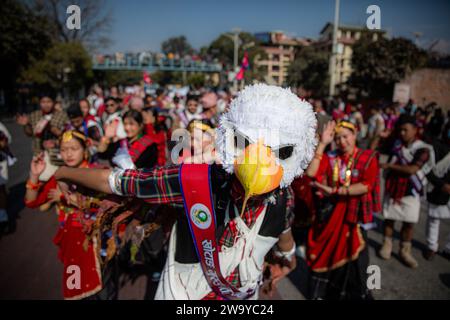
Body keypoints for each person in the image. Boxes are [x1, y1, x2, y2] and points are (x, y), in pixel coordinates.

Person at [54, 84, 318, 300]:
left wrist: (286, 255)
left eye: (281, 152)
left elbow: (283, 232)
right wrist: (60, 172)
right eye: (245, 143)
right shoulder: (194, 178)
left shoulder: (285, 196)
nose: (260, 164)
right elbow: (117, 181)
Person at [24, 131, 106, 299]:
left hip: (94, 241)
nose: (68, 153)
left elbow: (105, 205)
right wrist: (34, 175)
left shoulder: (97, 174)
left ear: (85, 150)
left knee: (99, 288)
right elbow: (32, 202)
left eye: (73, 148)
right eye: (63, 149)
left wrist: (64, 197)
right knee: (75, 287)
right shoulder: (60, 176)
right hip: (71, 242)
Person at [305, 120, 380, 300]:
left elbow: (366, 185)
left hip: (353, 216)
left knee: (358, 261)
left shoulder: (367, 157)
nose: (341, 142)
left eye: (345, 136)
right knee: (327, 254)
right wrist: (322, 143)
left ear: (355, 135)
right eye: (337, 138)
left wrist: (336, 191)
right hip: (331, 216)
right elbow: (310, 174)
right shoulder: (331, 156)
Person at [379, 115, 435, 268]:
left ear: (415, 130)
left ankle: (405, 250)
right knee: (389, 218)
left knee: (408, 222)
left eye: (406, 130)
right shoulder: (395, 144)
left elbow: (412, 169)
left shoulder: (423, 148)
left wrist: (389, 166)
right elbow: (376, 148)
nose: (402, 133)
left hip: (411, 190)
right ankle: (387, 245)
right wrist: (380, 136)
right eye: (400, 130)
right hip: (394, 188)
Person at [423, 152, 450, 260]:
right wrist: (441, 184)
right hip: (440, 190)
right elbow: (427, 169)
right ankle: (431, 247)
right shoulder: (439, 147)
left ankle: (448, 249)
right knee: (434, 218)